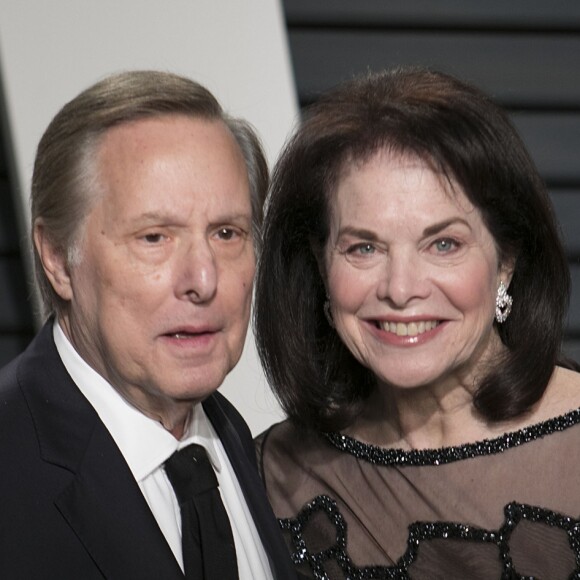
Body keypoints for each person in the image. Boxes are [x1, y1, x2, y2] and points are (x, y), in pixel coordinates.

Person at [254, 67, 580, 579]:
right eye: (364, 247)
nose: (401, 289)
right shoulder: (272, 475)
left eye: (443, 244)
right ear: (321, 266)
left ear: (508, 260)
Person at [0, 70, 296, 579]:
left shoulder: (252, 452)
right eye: (155, 237)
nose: (203, 280)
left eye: (227, 233)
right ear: (56, 258)